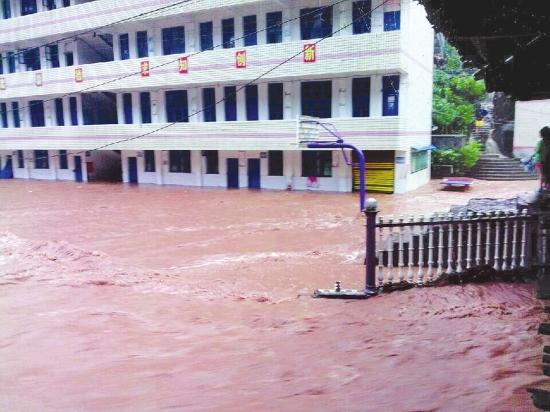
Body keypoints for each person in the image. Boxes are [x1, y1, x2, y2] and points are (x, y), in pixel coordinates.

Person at [533, 126, 550, 190]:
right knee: (545, 174)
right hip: (545, 161)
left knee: (543, 174)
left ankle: (542, 187)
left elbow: (537, 150)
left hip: (541, 161)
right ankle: (545, 187)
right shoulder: (545, 142)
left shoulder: (541, 142)